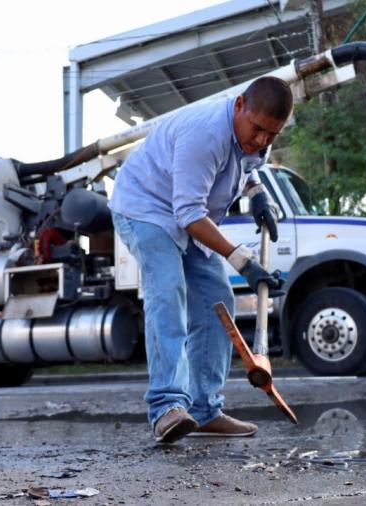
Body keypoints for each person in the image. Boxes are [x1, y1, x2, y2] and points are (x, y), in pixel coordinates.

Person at [108, 77, 291, 443]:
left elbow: (249, 166)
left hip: (189, 212)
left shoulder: (258, 136)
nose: (261, 140)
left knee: (215, 300)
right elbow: (188, 213)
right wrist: (242, 260)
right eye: (256, 129)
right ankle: (166, 408)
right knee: (168, 288)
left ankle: (205, 410)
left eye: (271, 134)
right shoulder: (205, 133)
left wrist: (258, 195)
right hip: (146, 207)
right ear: (239, 105)